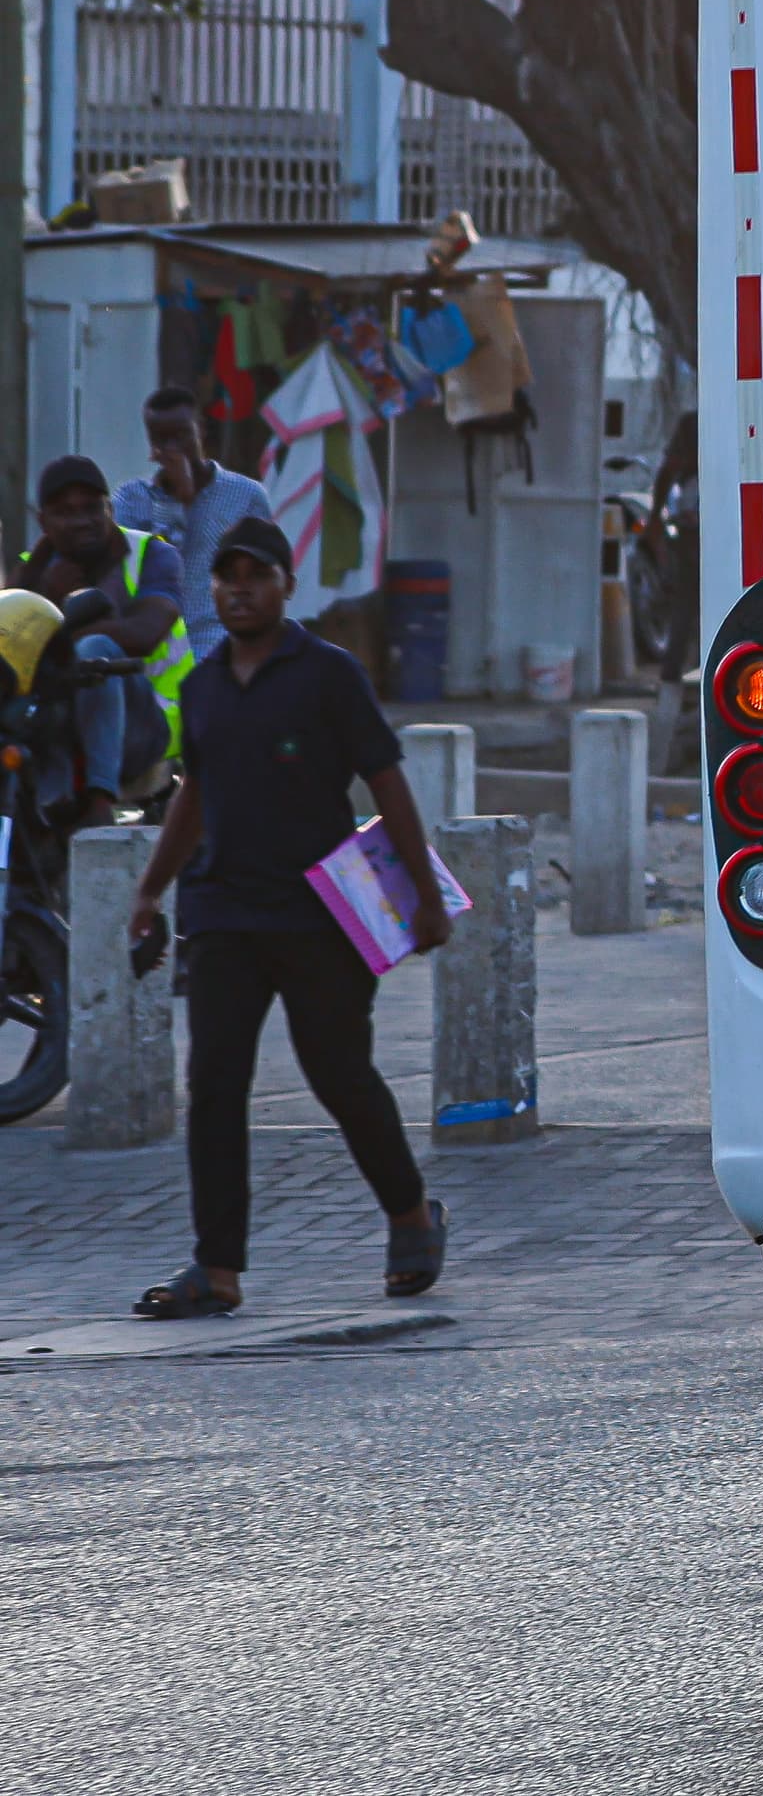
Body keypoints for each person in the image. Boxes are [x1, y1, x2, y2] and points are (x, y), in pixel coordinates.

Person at [126, 518, 448, 1319]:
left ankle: (411, 1215)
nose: (240, 588)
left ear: (286, 585)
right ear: (213, 587)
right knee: (214, 1083)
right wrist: (151, 888)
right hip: (223, 914)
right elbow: (195, 794)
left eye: (256, 574)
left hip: (319, 916)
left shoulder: (330, 673)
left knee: (339, 1073)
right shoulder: (202, 684)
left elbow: (387, 782)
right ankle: (217, 1267)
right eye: (227, 575)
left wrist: (425, 895)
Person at [9, 456, 182, 829]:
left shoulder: (152, 555)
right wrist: (47, 594)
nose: (81, 520)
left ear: (110, 509)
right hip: (57, 724)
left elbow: (146, 633)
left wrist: (56, 624)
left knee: (96, 650)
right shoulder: (31, 572)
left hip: (144, 726)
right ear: (43, 522)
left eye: (91, 507)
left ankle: (99, 800)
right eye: (64, 512)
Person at [115, 385, 275, 731]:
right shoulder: (132, 500)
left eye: (182, 436)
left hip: (221, 640)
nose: (173, 449)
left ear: (200, 430)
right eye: (161, 440)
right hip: (158, 646)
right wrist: (180, 505)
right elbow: (142, 570)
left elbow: (265, 572)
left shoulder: (246, 495)